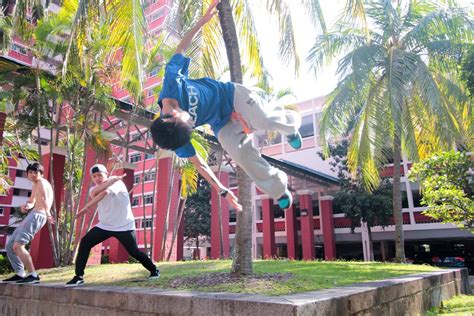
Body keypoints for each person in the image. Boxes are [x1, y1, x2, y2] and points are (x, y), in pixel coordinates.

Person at [150, 0, 302, 211]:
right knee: (241, 156)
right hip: (221, 122)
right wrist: (223, 190)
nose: (191, 123)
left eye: (187, 120)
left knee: (264, 120)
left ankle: (291, 127)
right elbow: (199, 164)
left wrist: (201, 22)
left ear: (171, 115)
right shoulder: (175, 137)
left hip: (230, 95)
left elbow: (180, 48)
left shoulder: (172, 82)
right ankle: (278, 188)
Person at [65, 164, 160, 287]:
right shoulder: (98, 187)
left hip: (124, 225)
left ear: (106, 174)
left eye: (100, 175)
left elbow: (105, 193)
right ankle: (78, 276)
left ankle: (154, 270)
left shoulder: (117, 183)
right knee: (85, 242)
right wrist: (111, 180)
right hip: (105, 225)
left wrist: (87, 207)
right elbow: (95, 192)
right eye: (94, 176)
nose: (97, 178)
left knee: (134, 252)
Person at [3, 162, 54, 284]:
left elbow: (45, 199)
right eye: (30, 172)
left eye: (36, 172)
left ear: (41, 174)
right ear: (27, 174)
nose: (33, 174)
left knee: (18, 245)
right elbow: (32, 201)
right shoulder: (35, 184)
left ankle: (33, 275)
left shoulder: (41, 182)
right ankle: (20, 273)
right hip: (32, 214)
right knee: (10, 245)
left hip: (38, 215)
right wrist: (26, 206)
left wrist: (48, 214)